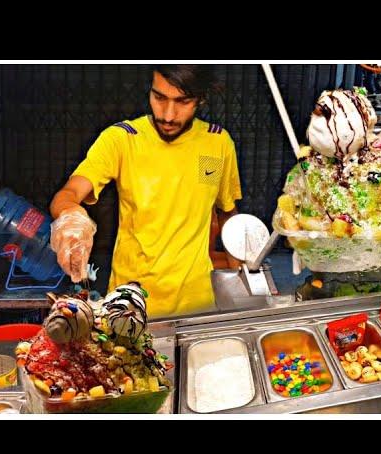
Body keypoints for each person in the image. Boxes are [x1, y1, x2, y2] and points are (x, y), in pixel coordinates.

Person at [49, 65, 242, 319]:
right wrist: (71, 217)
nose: (169, 115)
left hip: (197, 308)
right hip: (129, 307)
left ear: (201, 99)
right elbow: (70, 192)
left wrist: (242, 283)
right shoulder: (122, 139)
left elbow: (228, 215)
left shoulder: (217, 143)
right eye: (159, 98)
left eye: (182, 102)